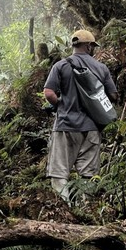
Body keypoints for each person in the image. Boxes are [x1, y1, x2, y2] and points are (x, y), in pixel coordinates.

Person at [43, 29, 119, 203]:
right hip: (92, 128)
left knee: (60, 172)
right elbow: (113, 96)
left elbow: (49, 93)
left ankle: (65, 210)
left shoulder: (61, 66)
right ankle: (87, 210)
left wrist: (60, 104)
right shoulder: (101, 68)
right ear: (88, 46)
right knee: (88, 174)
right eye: (92, 46)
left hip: (66, 127)